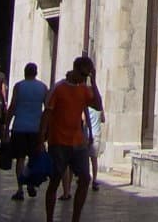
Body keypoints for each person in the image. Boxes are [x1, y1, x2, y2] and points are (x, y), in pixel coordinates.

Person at [38, 57, 102, 222]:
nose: (83, 77)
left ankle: (76, 218)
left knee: (85, 179)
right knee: (55, 181)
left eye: (86, 75)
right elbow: (47, 114)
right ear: (74, 69)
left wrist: (93, 82)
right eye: (82, 74)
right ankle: (50, 218)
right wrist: (41, 139)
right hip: (58, 142)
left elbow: (98, 105)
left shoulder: (83, 89)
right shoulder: (58, 88)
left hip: (78, 142)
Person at [5, 63, 48, 200]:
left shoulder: (19, 86)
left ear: (25, 72)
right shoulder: (43, 88)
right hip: (36, 129)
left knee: (20, 159)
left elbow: (12, 107)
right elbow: (47, 109)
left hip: (20, 127)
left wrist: (6, 126)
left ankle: (19, 189)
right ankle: (31, 184)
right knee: (34, 159)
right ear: (36, 73)